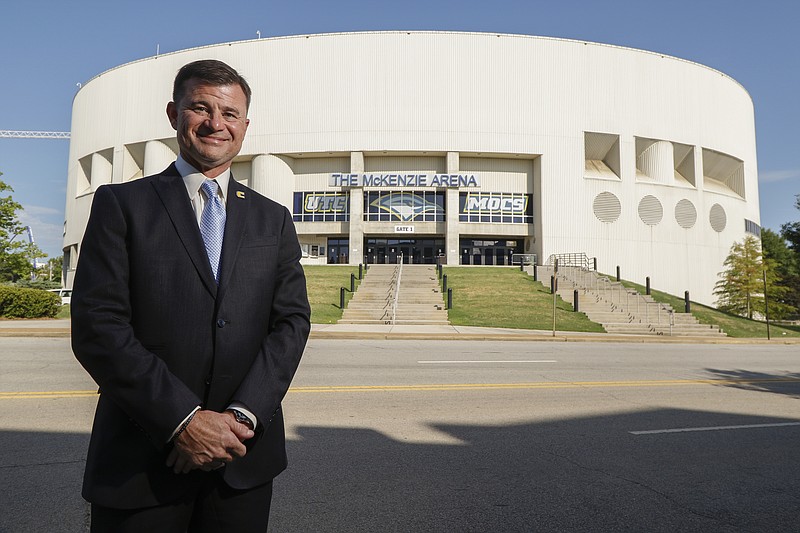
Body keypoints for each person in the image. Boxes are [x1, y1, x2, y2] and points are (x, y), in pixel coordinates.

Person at [71, 59, 311, 532]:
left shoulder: (273, 218)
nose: (215, 123)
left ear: (245, 124)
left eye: (230, 113)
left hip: (241, 462)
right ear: (173, 113)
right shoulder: (122, 205)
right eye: (200, 108)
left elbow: (291, 323)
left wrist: (240, 418)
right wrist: (183, 422)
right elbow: (99, 326)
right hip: (143, 462)